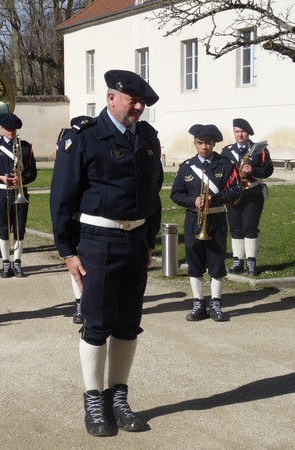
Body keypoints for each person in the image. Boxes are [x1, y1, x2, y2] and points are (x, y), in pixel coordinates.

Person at [50, 70, 162, 437]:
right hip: (98, 241)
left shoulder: (147, 137)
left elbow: (152, 192)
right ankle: (94, 398)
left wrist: (150, 241)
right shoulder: (83, 138)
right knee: (97, 324)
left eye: (143, 102)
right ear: (112, 98)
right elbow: (62, 198)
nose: (139, 107)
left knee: (128, 324)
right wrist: (68, 252)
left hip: (135, 242)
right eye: (133, 100)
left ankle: (118, 396)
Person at [171, 124, 241, 322]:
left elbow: (236, 190)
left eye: (208, 143)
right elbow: (176, 194)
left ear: (214, 144)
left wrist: (214, 199)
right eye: (200, 143)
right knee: (194, 261)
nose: (204, 147)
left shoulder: (226, 165)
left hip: (217, 218)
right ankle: (198, 303)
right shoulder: (186, 166)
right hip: (194, 219)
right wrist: (192, 201)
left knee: (217, 261)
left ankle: (216, 304)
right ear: (195, 143)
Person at [0, 113, 37, 278]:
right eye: (8, 129)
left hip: (20, 191)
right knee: (3, 228)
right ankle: (5, 262)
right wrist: (0, 177)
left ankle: (17, 262)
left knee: (19, 228)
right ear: (2, 129)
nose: (11, 132)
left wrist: (21, 178)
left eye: (13, 129)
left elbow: (33, 172)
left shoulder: (25, 147)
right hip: (1, 192)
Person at [221, 118, 273, 276]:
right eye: (237, 131)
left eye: (243, 131)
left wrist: (253, 170)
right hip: (233, 195)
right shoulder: (227, 151)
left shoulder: (259, 149)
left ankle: (251, 262)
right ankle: (237, 261)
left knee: (250, 228)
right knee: (235, 228)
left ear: (248, 132)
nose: (240, 134)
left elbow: (268, 170)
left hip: (252, 194)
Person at [56, 115, 93, 323]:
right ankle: (78, 302)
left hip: (88, 214)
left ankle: (87, 301)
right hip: (74, 213)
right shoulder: (68, 142)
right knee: (76, 259)